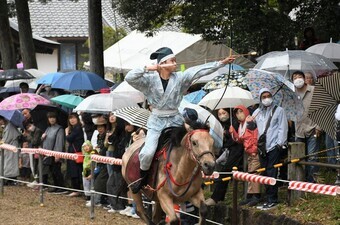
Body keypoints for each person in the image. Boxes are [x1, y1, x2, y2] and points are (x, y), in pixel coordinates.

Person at [125, 46, 235, 193]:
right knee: (147, 153)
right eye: (172, 60)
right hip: (157, 121)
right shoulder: (149, 80)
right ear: (163, 63)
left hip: (175, 119)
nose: (175, 63)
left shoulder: (180, 77)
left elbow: (199, 70)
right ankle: (143, 180)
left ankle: (195, 180)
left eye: (175, 60)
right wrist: (148, 68)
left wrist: (221, 63)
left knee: (193, 144)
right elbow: (129, 77)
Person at [247, 88, 288, 210]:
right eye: (263, 96)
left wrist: (280, 144)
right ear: (260, 99)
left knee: (272, 171)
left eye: (268, 95)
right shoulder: (257, 112)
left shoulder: (279, 110)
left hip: (274, 146)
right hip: (261, 147)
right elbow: (252, 128)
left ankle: (272, 199)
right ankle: (267, 198)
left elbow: (282, 127)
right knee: (264, 172)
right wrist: (249, 122)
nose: (266, 98)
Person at [205, 108, 244, 206]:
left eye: (224, 113)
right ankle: (217, 196)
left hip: (236, 151)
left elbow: (236, 139)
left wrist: (228, 134)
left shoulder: (235, 123)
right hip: (226, 152)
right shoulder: (220, 125)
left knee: (225, 172)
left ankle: (216, 197)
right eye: (220, 114)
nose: (222, 115)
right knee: (220, 172)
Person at [292, 71, 321, 182]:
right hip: (298, 130)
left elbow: (321, 109)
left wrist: (319, 127)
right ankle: (299, 180)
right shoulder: (292, 93)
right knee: (298, 156)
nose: (297, 78)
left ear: (304, 79)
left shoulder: (314, 90)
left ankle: (311, 180)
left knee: (312, 156)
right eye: (295, 77)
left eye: (299, 76)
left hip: (313, 128)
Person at [229, 105, 261, 206]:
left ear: (245, 112)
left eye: (240, 112)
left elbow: (255, 137)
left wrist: (254, 149)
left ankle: (256, 196)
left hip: (254, 152)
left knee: (254, 173)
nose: (239, 115)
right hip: (248, 152)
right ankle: (250, 196)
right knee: (250, 173)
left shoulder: (250, 122)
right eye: (237, 113)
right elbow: (240, 139)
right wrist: (233, 133)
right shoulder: (241, 125)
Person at [41, 112, 67, 194]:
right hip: (48, 153)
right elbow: (44, 140)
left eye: (53, 117)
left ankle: (61, 187)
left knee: (57, 170)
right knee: (52, 171)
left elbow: (59, 142)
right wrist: (42, 137)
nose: (52, 119)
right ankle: (56, 186)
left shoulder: (60, 129)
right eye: (50, 117)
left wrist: (57, 154)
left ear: (56, 119)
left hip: (55, 153)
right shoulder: (48, 128)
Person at [65, 113, 84, 197]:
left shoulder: (78, 128)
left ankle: (77, 189)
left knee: (75, 171)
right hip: (73, 150)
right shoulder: (74, 128)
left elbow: (69, 138)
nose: (72, 120)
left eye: (74, 118)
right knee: (74, 170)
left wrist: (66, 133)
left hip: (76, 151)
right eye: (70, 118)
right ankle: (76, 189)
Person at [0, 116, 22, 185]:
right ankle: (8, 179)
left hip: (11, 147)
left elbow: (6, 139)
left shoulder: (10, 126)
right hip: (8, 147)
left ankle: (11, 180)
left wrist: (1, 143)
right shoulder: (7, 126)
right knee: (7, 163)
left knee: (11, 164)